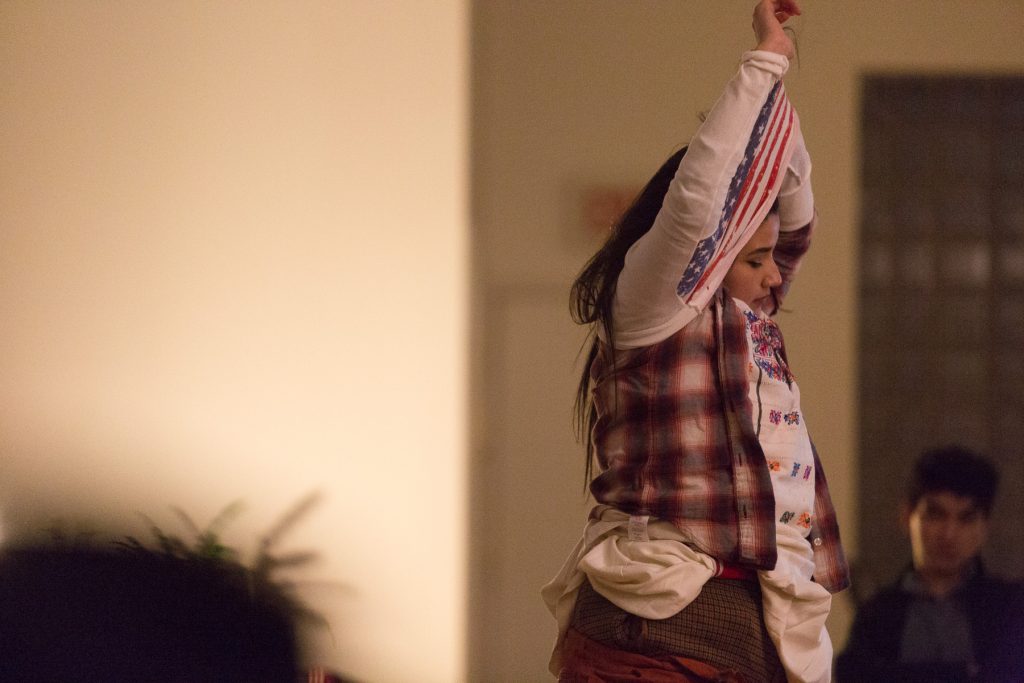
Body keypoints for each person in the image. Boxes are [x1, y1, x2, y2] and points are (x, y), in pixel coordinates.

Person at [541, 2, 849, 681]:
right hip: (651, 630)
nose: (777, 275)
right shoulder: (655, 304)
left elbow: (794, 212)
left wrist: (778, 92)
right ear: (714, 259)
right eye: (756, 258)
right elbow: (698, 205)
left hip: (731, 633)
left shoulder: (751, 320)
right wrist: (764, 62)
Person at [836, 446, 1024, 682]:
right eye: (935, 514)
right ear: (907, 516)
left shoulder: (1009, 608)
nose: (949, 534)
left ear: (984, 527)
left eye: (966, 518)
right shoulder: (877, 615)